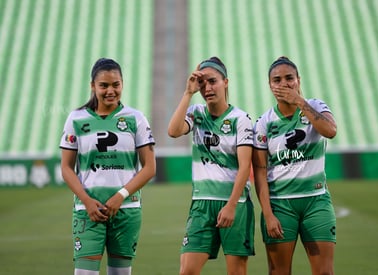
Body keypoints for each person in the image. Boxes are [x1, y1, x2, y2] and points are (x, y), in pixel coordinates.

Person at [60, 58, 156, 275]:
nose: (110, 91)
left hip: (126, 210)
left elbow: (149, 167)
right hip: (88, 211)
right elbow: (66, 168)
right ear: (93, 86)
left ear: (122, 84)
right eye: (104, 85)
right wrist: (87, 201)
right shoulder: (76, 119)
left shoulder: (136, 118)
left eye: (116, 85)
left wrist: (120, 195)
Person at [168, 56, 255, 275]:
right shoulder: (196, 113)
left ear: (226, 82)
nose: (207, 88)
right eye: (203, 83)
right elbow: (173, 131)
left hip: (236, 203)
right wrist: (188, 93)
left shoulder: (240, 119)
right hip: (202, 204)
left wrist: (231, 206)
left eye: (213, 81)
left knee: (236, 272)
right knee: (187, 270)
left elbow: (245, 167)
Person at [252, 56, 337, 275]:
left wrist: (300, 102)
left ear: (298, 80)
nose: (284, 84)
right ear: (270, 86)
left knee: (324, 272)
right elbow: (260, 171)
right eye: (277, 80)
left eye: (289, 78)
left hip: (316, 202)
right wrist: (268, 214)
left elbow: (330, 131)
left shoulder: (314, 106)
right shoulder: (263, 122)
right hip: (281, 206)